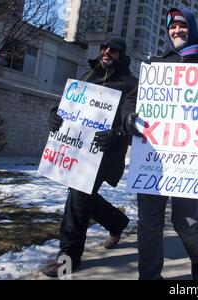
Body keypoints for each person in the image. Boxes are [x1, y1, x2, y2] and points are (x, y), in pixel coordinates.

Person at [124, 6, 198, 280]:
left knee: (187, 223)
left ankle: (197, 255)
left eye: (182, 25)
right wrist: (127, 118)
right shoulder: (157, 65)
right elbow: (132, 101)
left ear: (192, 27)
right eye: (171, 27)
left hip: (192, 162)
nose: (176, 30)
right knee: (149, 223)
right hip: (153, 159)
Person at [42, 36, 138, 277]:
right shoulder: (86, 76)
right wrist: (54, 114)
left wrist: (117, 133)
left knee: (77, 197)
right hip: (77, 151)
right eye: (105, 48)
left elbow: (129, 117)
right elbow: (66, 105)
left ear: (122, 55)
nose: (107, 52)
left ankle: (68, 258)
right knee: (82, 197)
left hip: (106, 153)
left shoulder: (129, 83)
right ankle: (117, 222)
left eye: (114, 50)